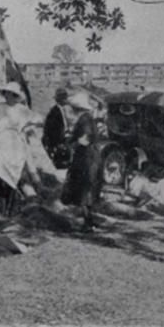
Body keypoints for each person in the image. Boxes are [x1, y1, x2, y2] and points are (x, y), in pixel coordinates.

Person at [60, 93, 107, 232]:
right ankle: (89, 221)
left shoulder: (84, 119)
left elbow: (84, 140)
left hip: (87, 158)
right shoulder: (87, 118)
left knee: (84, 192)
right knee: (86, 192)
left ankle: (88, 223)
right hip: (90, 157)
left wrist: (71, 141)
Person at [42, 87, 75, 169]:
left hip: (61, 135)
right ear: (60, 99)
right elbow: (50, 129)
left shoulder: (61, 110)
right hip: (56, 139)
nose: (66, 100)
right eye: (64, 98)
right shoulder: (54, 112)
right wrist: (59, 140)